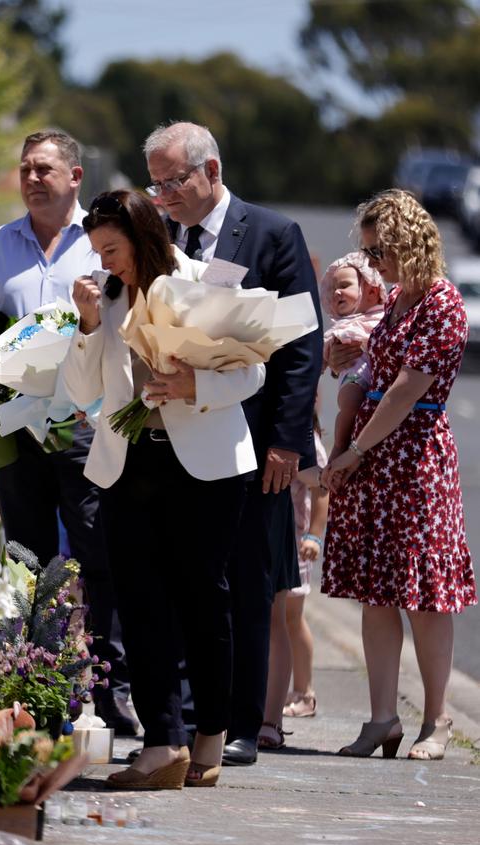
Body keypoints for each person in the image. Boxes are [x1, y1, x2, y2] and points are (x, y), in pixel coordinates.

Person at [61, 189, 266, 789]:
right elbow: (81, 391)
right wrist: (88, 323)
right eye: (97, 250)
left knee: (203, 599)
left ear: (144, 235)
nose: (105, 262)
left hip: (206, 465)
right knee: (138, 601)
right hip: (130, 461)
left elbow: (251, 371)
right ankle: (161, 741)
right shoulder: (108, 295)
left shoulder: (209, 279)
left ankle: (211, 734)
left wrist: (194, 385)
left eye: (112, 248)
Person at [143, 121, 323, 765]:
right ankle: (189, 715)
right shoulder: (157, 237)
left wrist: (288, 442)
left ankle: (242, 722)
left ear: (211, 171)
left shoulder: (273, 233)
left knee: (245, 582)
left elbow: (302, 346)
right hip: (172, 440)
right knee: (178, 577)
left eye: (174, 182)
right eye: (155, 184)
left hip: (253, 445)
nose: (164, 196)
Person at [0, 130, 136, 735]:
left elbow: (135, 326)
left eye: (44, 169)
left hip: (86, 426)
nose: (32, 178)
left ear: (75, 177)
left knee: (97, 556)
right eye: (25, 168)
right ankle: (32, 688)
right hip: (18, 426)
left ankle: (113, 687)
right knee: (25, 560)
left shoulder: (104, 244)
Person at [322, 188, 476, 760]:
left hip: (413, 463)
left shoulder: (442, 304)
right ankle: (382, 719)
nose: (373, 264)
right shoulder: (397, 301)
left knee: (425, 596)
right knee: (375, 592)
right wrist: (348, 363)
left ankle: (436, 722)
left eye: (379, 251)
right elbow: (375, 368)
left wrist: (355, 449)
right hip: (373, 460)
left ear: (408, 244)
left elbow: (409, 390)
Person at [258, 411, 329, 747]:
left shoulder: (303, 438)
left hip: (297, 542)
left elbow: (321, 489)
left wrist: (315, 536)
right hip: (274, 536)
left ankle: (304, 690)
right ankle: (280, 690)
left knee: (291, 618)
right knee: (275, 619)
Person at [320, 251, 387, 460]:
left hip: (382, 385)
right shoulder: (343, 325)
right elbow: (322, 352)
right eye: (332, 289)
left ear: (371, 291)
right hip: (355, 375)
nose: (337, 292)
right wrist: (327, 358)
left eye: (344, 286)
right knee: (349, 401)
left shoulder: (385, 316)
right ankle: (340, 446)